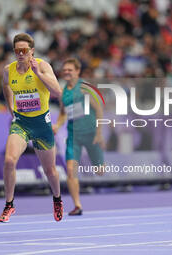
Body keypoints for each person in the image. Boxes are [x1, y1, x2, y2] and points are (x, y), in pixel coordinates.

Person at [0, 33, 63, 222]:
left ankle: (57, 198)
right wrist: (11, 107)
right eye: (17, 51)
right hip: (21, 123)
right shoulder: (8, 70)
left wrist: (38, 74)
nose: (20, 54)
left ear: (31, 51)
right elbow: (5, 85)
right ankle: (9, 205)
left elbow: (58, 92)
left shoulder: (42, 66)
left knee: (50, 171)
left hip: (42, 125)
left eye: (24, 50)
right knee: (9, 161)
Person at [52, 58, 105, 216]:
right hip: (74, 136)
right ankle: (77, 205)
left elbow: (99, 109)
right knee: (70, 171)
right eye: (65, 70)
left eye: (70, 70)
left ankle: (97, 161)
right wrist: (57, 125)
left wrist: (99, 133)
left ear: (77, 71)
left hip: (90, 134)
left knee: (100, 171)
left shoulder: (85, 87)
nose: (67, 72)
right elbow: (63, 113)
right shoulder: (63, 92)